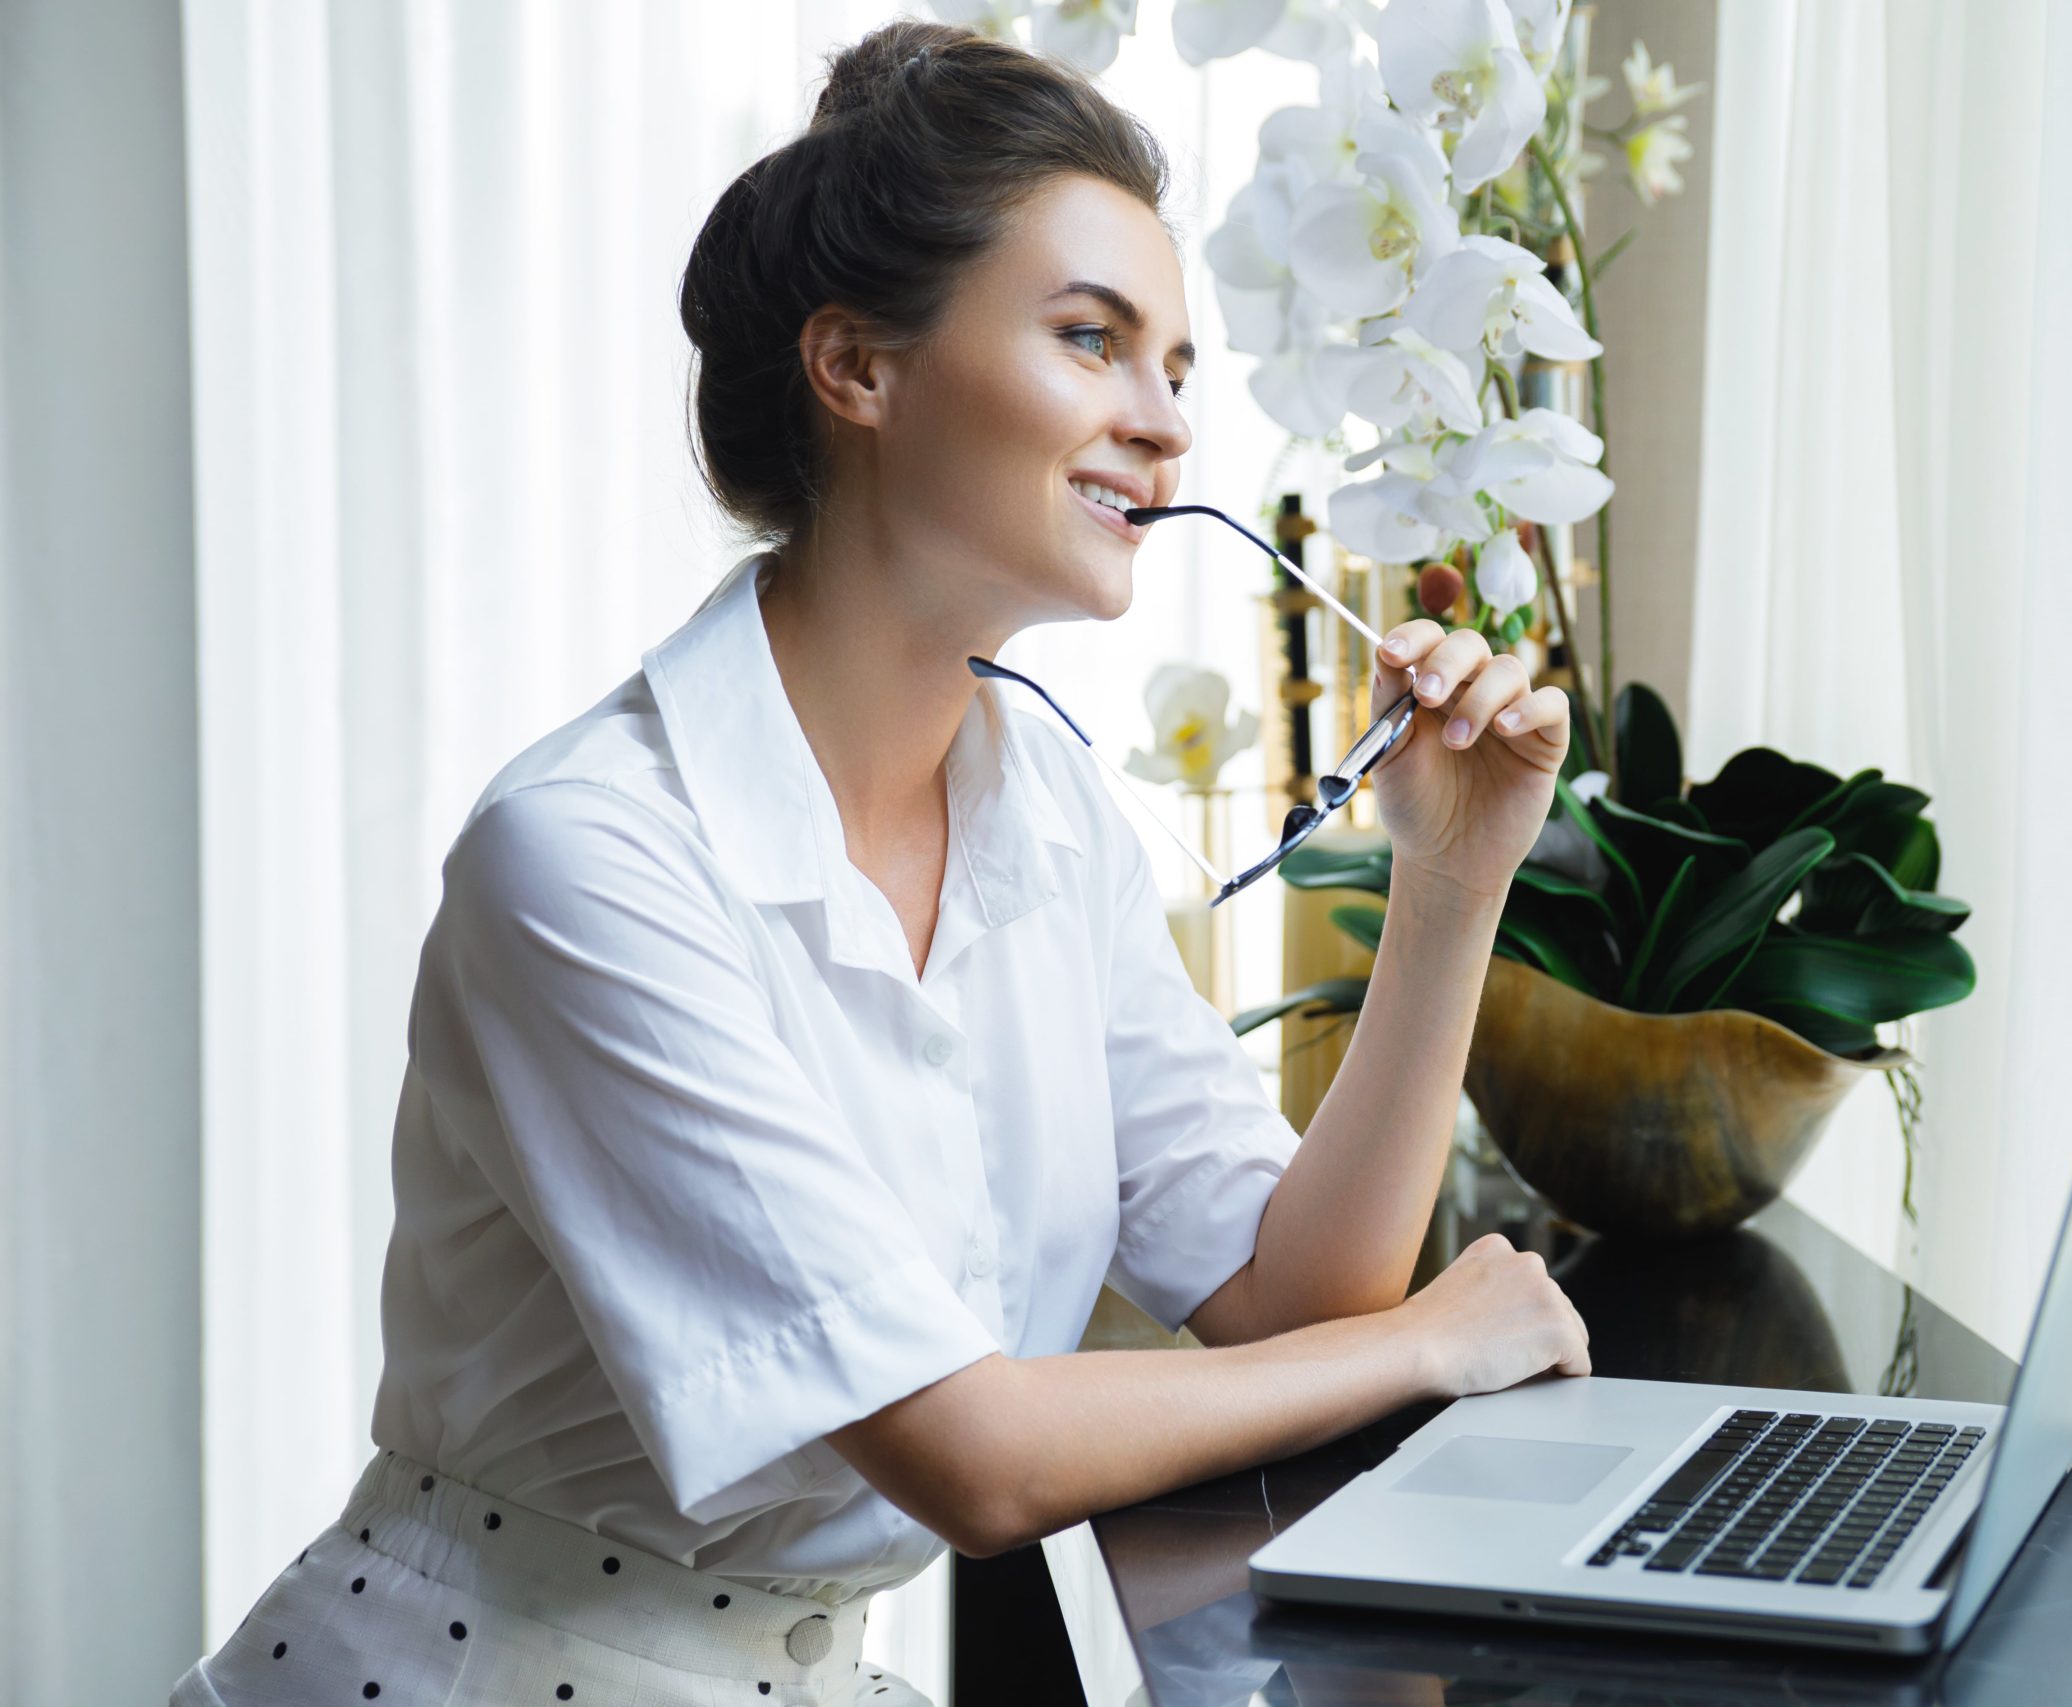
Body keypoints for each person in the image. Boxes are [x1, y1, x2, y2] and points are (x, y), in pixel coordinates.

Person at [171, 18, 1588, 1706]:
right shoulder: (587, 860)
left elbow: (1289, 1295)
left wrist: (1449, 883)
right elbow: (973, 1455)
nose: (1167, 427)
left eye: (1180, 370)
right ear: (856, 368)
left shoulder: (1046, 814)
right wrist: (1427, 1345)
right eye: (1093, 342)